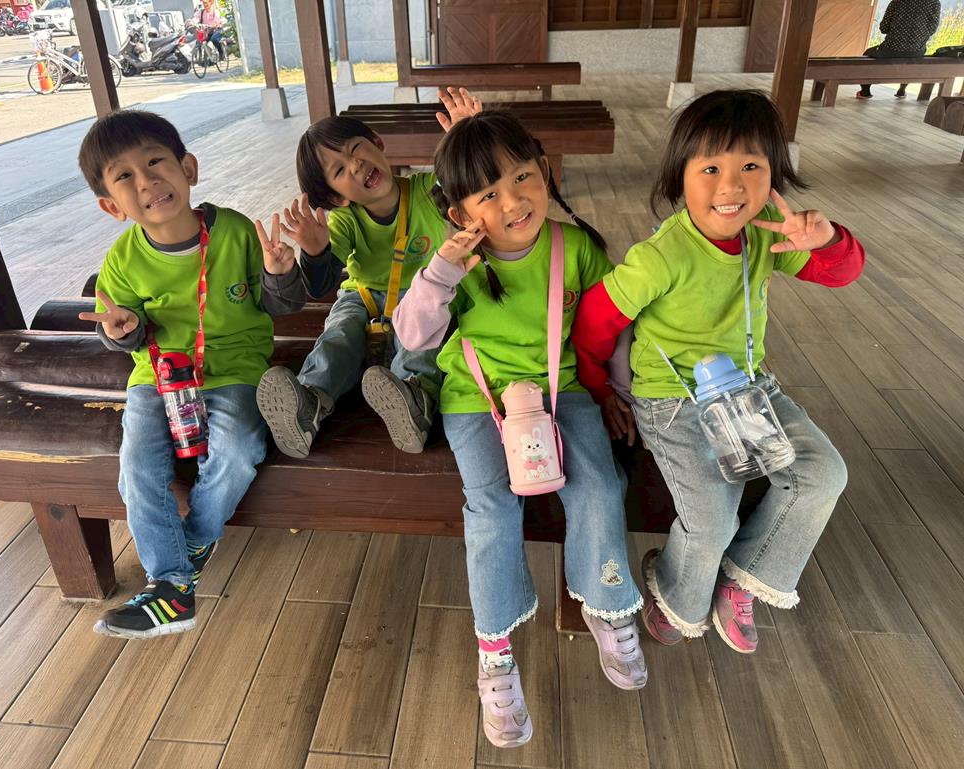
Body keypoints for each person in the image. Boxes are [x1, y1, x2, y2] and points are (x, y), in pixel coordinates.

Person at [571, 90, 865, 654]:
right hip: (671, 401)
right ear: (680, 177)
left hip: (746, 388)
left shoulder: (767, 233)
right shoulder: (661, 257)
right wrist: (601, 391)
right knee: (712, 517)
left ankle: (743, 578)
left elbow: (839, 273)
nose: (731, 186)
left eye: (750, 166)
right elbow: (594, 323)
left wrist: (826, 240)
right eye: (710, 169)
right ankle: (676, 595)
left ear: (774, 173)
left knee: (824, 474)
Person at [393, 111, 647, 750]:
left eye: (523, 177)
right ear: (460, 212)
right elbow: (413, 336)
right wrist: (442, 271)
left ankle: (607, 604)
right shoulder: (457, 262)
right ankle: (495, 651)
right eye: (488, 193)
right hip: (475, 399)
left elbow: (610, 330)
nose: (513, 201)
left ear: (545, 172)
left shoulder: (575, 247)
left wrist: (615, 393)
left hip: (563, 388)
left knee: (600, 485)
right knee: (491, 506)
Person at [77, 109, 306, 639]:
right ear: (112, 205)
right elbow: (121, 329)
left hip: (235, 368)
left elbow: (282, 305)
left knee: (239, 448)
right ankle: (172, 581)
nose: (147, 181)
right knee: (136, 465)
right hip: (156, 376)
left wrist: (279, 274)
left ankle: (193, 545)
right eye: (125, 176)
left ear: (188, 168)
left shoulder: (236, 232)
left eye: (156, 162)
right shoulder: (122, 260)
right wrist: (124, 330)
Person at [255, 87, 481, 457]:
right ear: (336, 197)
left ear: (377, 143)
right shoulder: (345, 220)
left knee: (421, 342)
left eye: (355, 149)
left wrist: (465, 138)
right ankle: (308, 401)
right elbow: (321, 284)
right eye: (339, 170)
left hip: (424, 294)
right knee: (339, 334)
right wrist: (315, 251)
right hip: (361, 298)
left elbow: (461, 178)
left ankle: (415, 398)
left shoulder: (428, 190)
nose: (356, 165)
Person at [857, 0, 942, 99]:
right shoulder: (935, 3)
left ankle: (865, 91)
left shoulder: (897, 1)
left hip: (890, 50)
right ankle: (902, 90)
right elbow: (932, 29)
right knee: (910, 58)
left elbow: (884, 28)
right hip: (916, 52)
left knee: (868, 53)